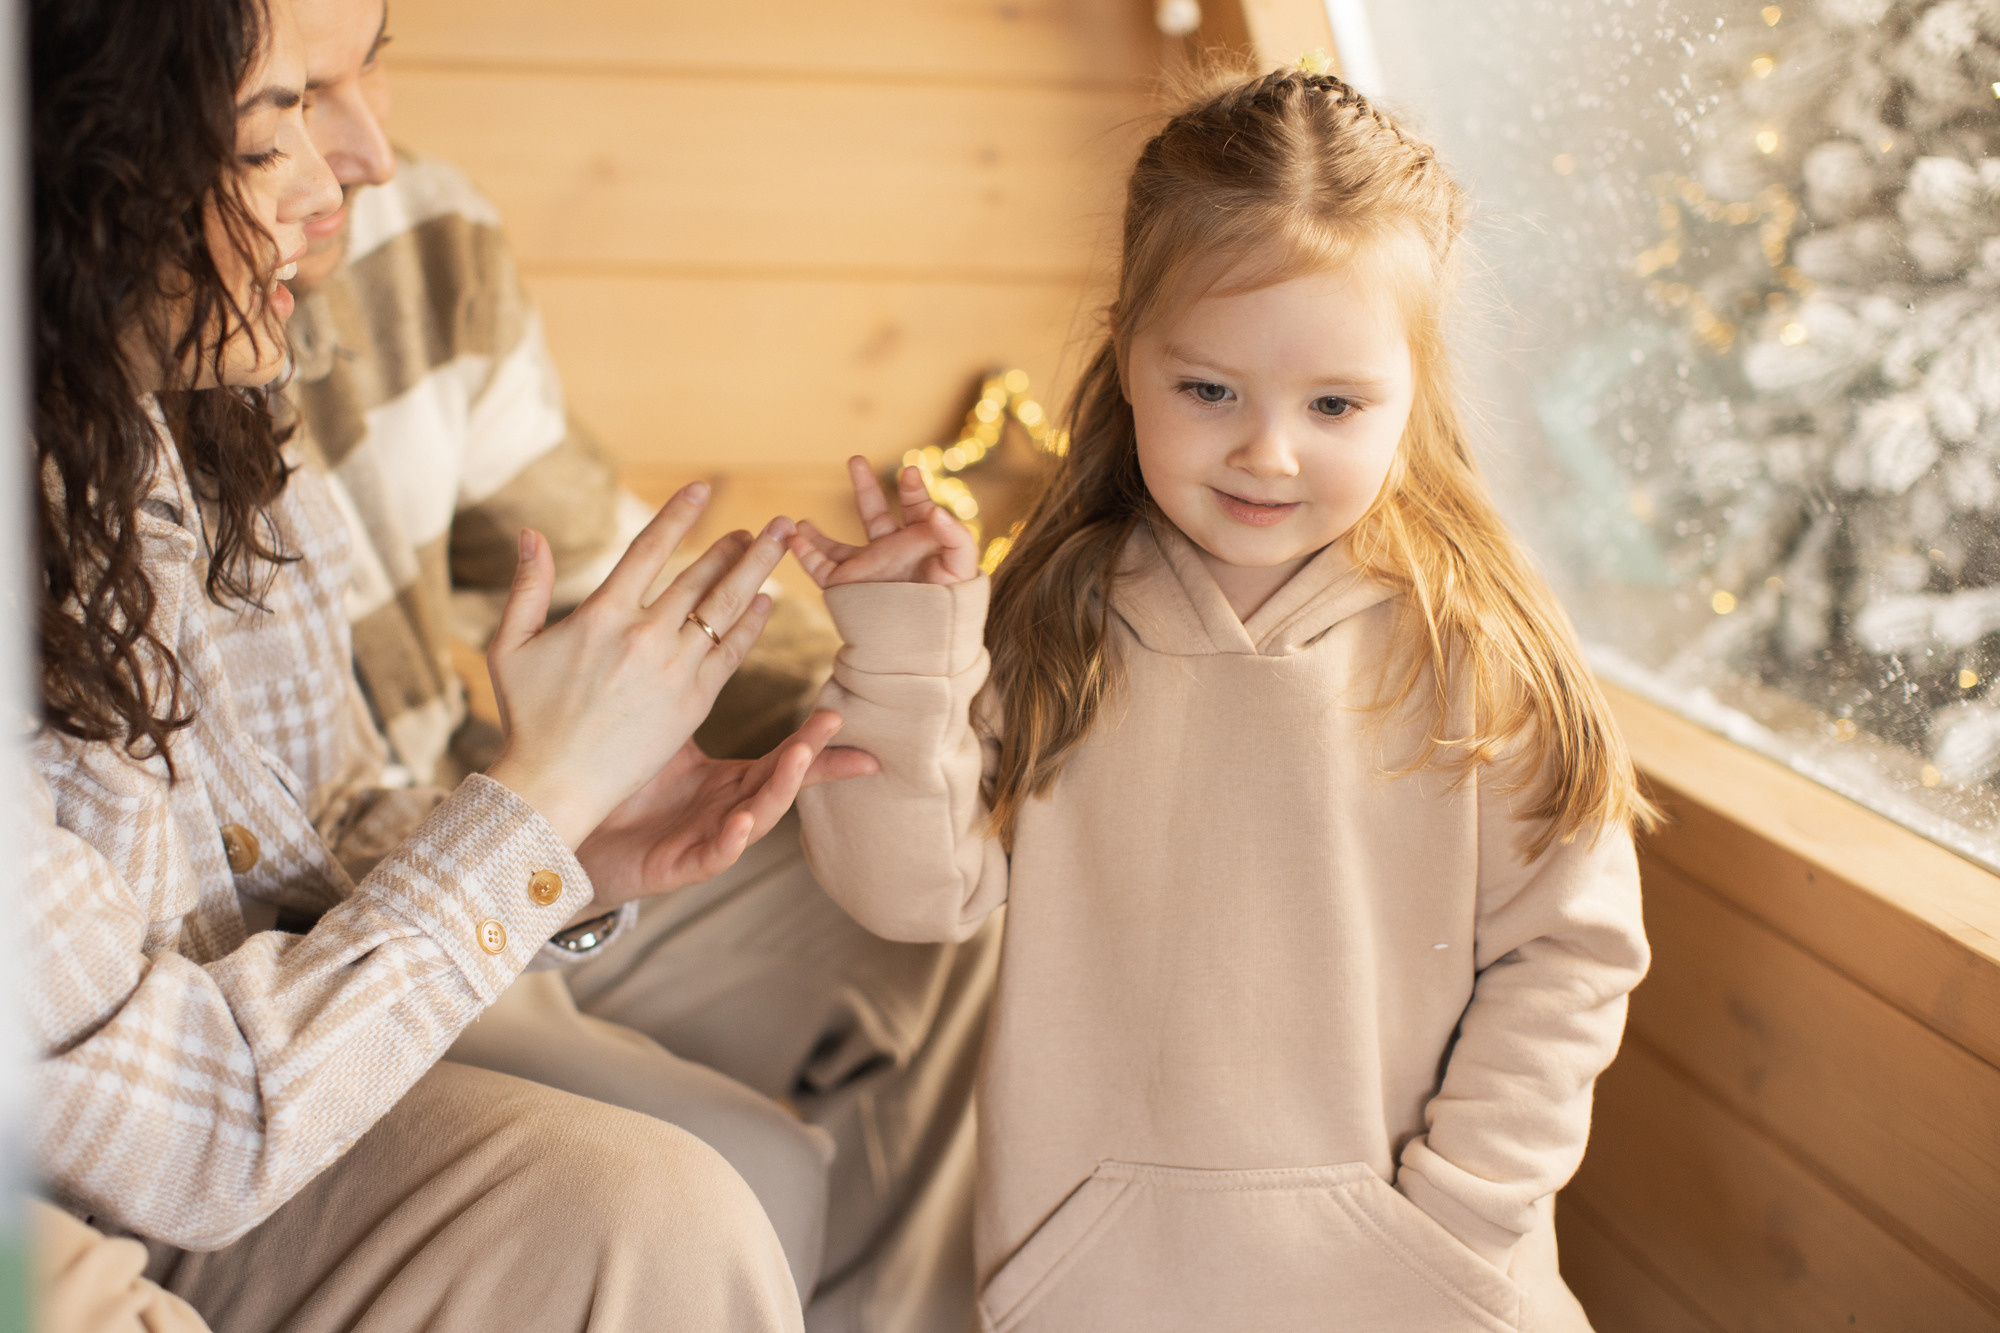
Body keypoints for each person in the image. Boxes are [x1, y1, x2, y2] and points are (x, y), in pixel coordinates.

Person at [26, 0, 867, 1327]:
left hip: (241, 1072)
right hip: (98, 1180)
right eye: (273, 130)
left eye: (358, 84)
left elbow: (316, 826)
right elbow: (174, 1127)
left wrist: (565, 845)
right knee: (674, 1215)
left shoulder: (196, 412)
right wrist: (531, 809)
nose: (356, 164)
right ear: (84, 165)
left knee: (756, 1144)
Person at [788, 66, 1654, 1332]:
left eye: (1334, 405)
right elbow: (911, 894)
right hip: (1102, 1296)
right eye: (1209, 392)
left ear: (1410, 400)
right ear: (1128, 359)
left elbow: (1565, 956)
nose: (1267, 450)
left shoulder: (1480, 647)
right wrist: (902, 656)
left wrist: (1458, 1219)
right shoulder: (1055, 615)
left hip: (1427, 1292)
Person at [279, 2, 999, 1324]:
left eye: (370, 64)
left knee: (957, 918)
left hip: (509, 811)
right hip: (348, 907)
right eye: (295, 97)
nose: (365, 145)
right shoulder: (124, 335)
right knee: (741, 1168)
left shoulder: (422, 238)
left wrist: (902, 699)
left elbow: (601, 572)